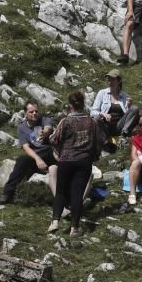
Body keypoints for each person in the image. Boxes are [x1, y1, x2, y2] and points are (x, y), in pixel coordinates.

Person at [47, 91, 105, 236]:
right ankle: (75, 228)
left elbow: (54, 139)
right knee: (77, 194)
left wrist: (59, 149)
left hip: (66, 160)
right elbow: (99, 141)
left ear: (70, 105)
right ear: (83, 103)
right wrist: (95, 156)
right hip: (84, 161)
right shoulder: (92, 122)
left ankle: (55, 221)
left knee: (60, 191)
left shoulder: (65, 121)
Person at [0, 101, 55, 205]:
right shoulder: (22, 128)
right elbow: (26, 147)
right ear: (25, 113)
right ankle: (7, 193)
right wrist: (38, 159)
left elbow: (48, 128)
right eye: (31, 112)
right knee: (21, 160)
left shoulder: (44, 120)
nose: (34, 113)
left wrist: (45, 132)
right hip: (36, 155)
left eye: (36, 111)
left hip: (50, 151)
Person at [90, 69, 136, 144]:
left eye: (112, 80)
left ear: (119, 81)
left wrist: (129, 107)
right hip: (105, 125)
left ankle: (123, 135)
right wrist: (103, 114)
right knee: (97, 119)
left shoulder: (125, 96)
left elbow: (128, 117)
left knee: (135, 108)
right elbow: (93, 112)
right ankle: (104, 142)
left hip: (119, 126)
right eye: (108, 79)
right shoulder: (102, 93)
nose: (110, 82)